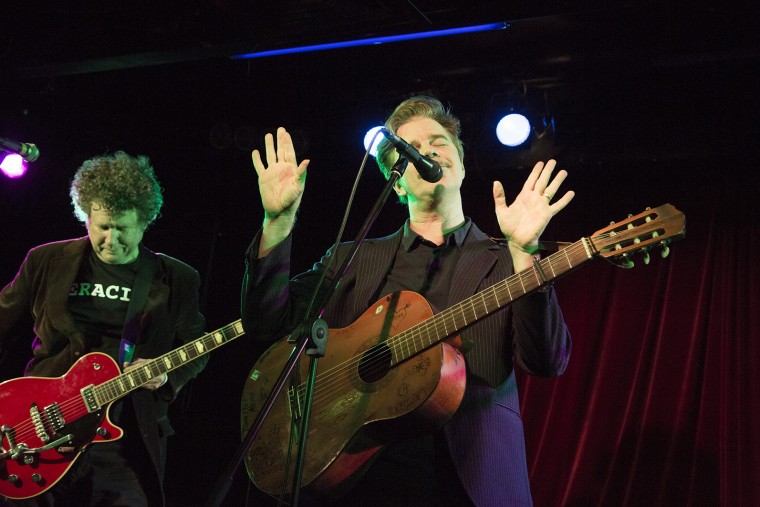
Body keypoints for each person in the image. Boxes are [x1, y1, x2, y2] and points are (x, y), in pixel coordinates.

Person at [241, 95, 574, 506]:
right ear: (396, 181)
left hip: (468, 480)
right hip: (350, 478)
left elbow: (546, 361)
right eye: (412, 148)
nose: (429, 150)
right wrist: (277, 222)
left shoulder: (506, 259)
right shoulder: (353, 256)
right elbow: (265, 323)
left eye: (439, 141)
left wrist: (525, 253)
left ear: (461, 164)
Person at [0, 151, 208, 506]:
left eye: (121, 229)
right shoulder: (45, 261)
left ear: (144, 222)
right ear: (86, 215)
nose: (110, 240)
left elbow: (196, 346)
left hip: (123, 440)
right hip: (37, 431)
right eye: (102, 227)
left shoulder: (177, 278)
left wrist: (166, 377)